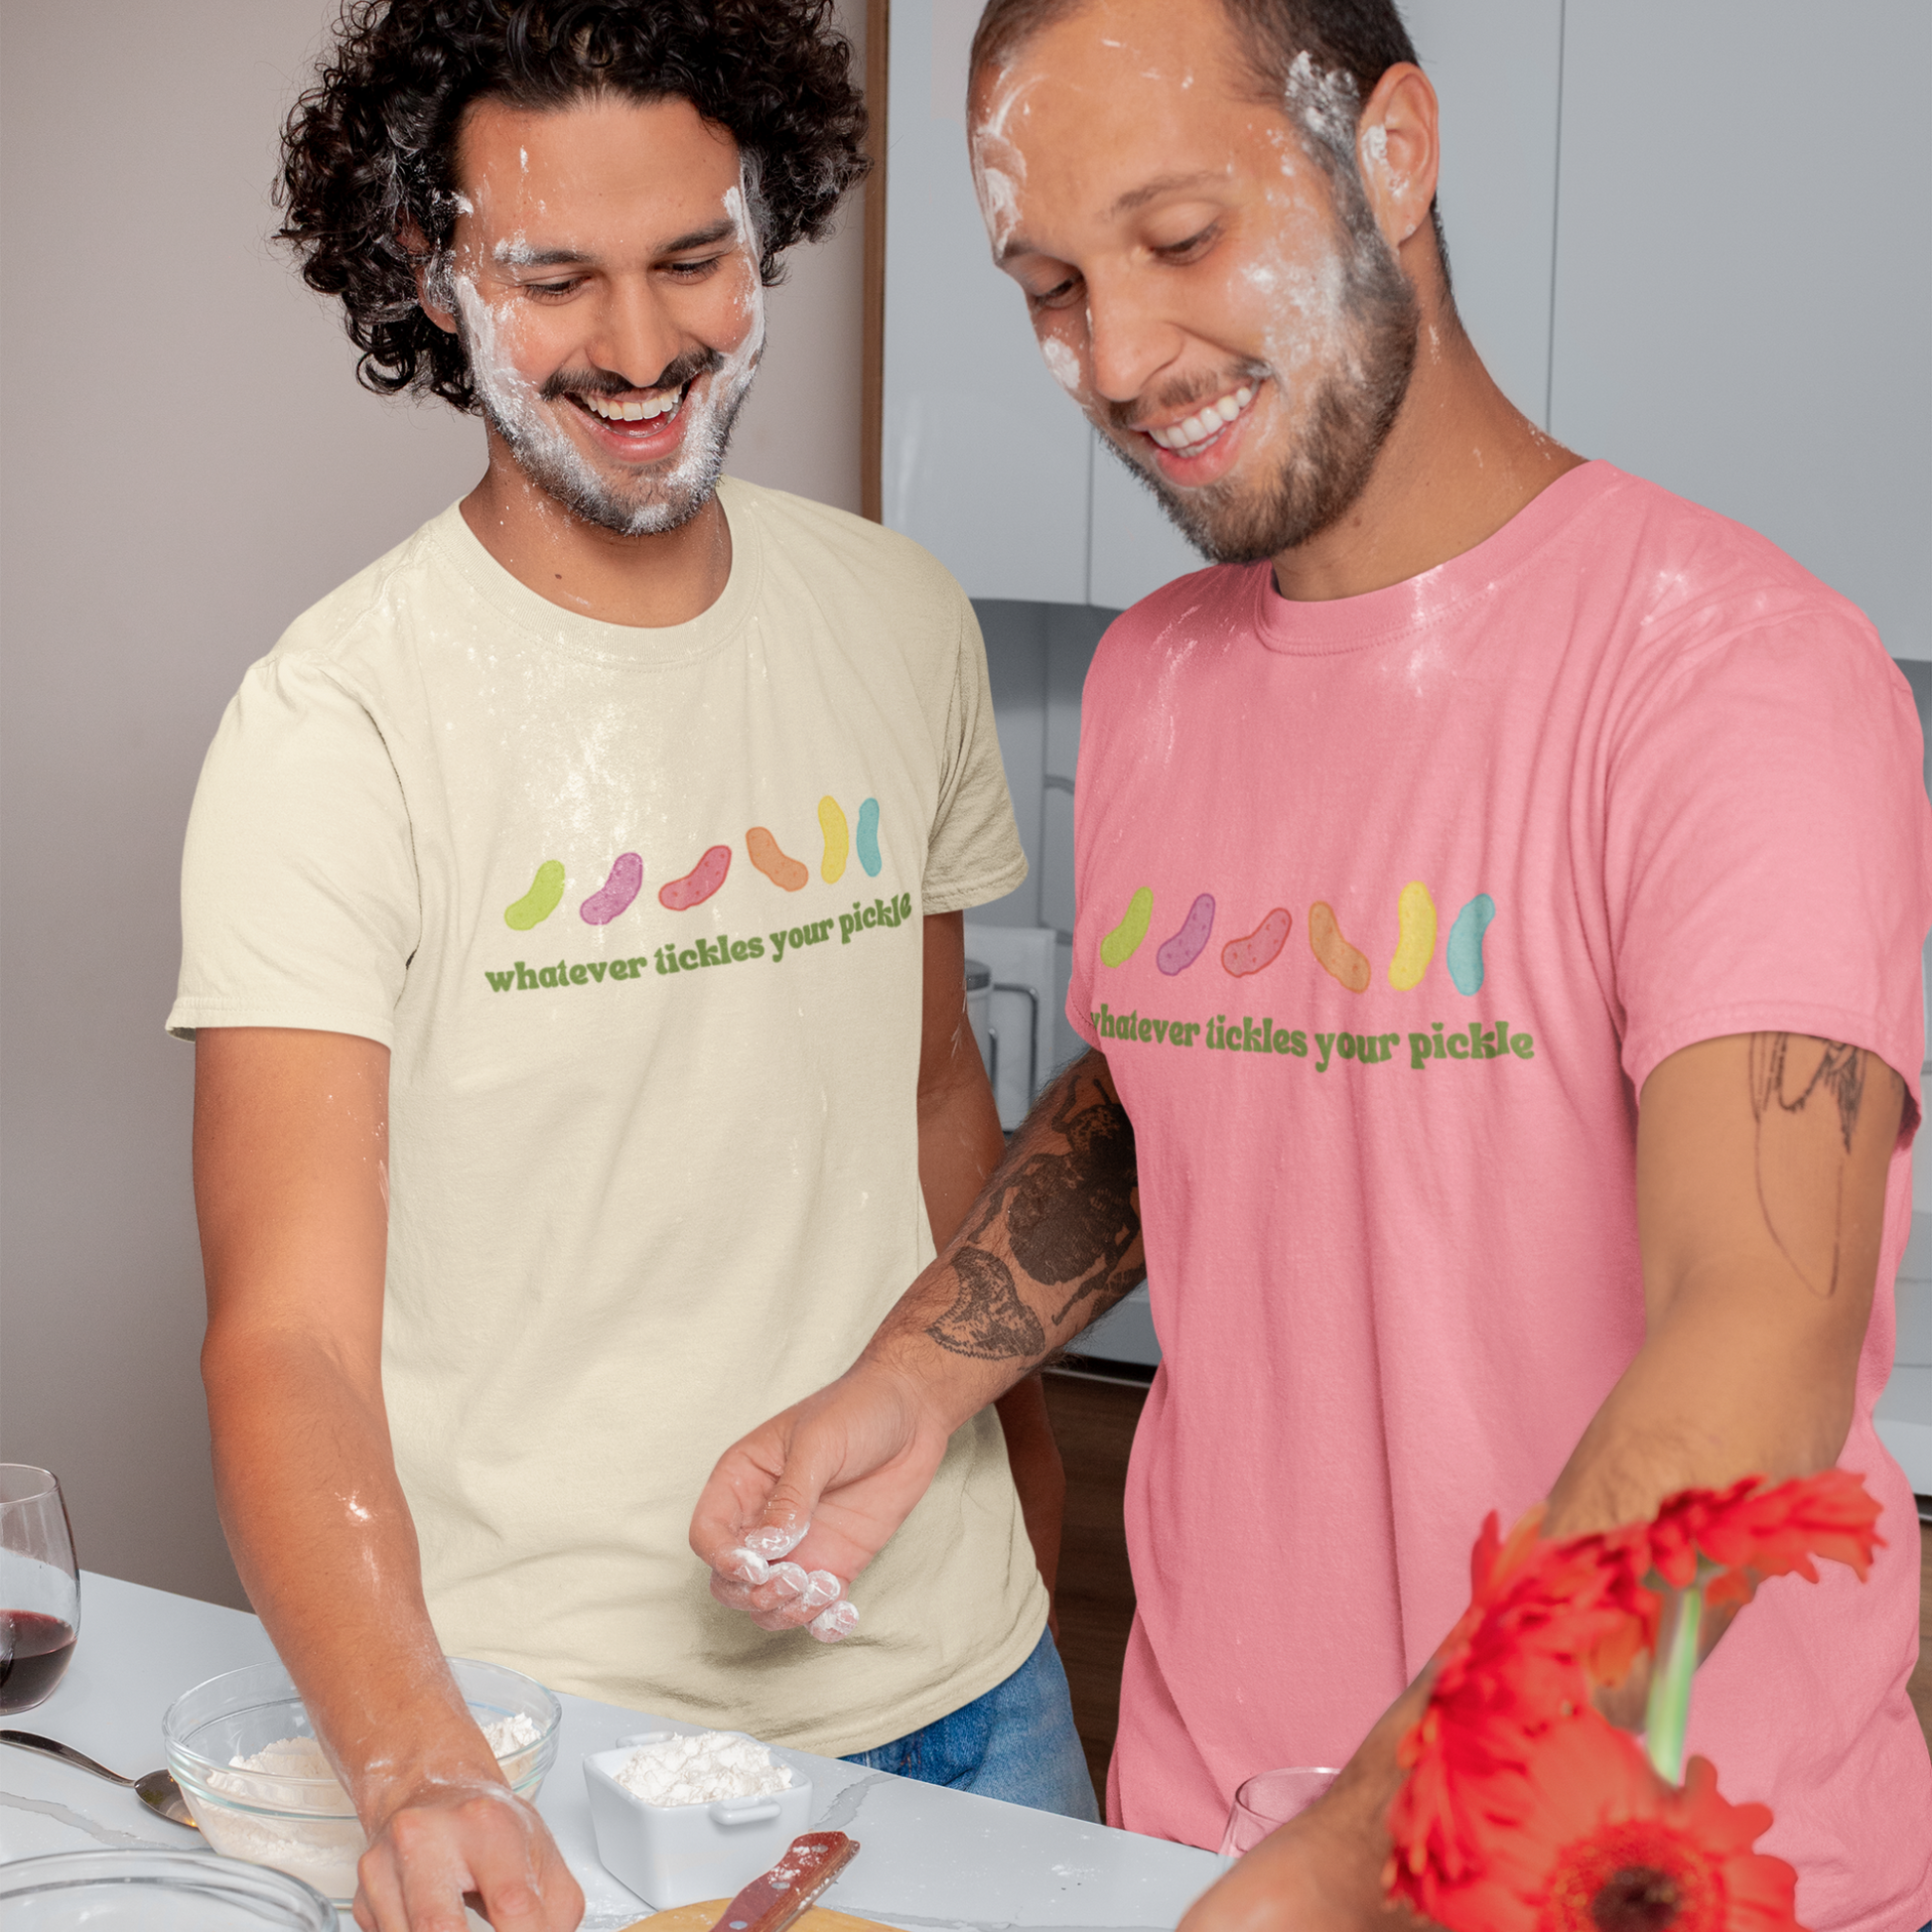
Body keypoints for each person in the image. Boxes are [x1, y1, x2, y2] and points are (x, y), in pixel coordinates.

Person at [690, 0, 1932, 1925]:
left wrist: (1363, 1846)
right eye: (1050, 287)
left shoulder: (1732, 671)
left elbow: (1754, 1344)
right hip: (1203, 1836)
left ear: (1396, 152)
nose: (1113, 358)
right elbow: (1164, 1077)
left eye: (1178, 241)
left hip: (1652, 1875)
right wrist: (916, 1379)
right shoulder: (1154, 680)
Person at [171, 4, 1096, 1928]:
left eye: (694, 259)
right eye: (553, 279)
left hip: (970, 1672)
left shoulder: (894, 618)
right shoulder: (335, 723)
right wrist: (417, 1752)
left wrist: (1029, 1508)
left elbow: (935, 1102)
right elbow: (291, 1335)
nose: (645, 346)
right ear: (431, 279)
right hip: (545, 1726)